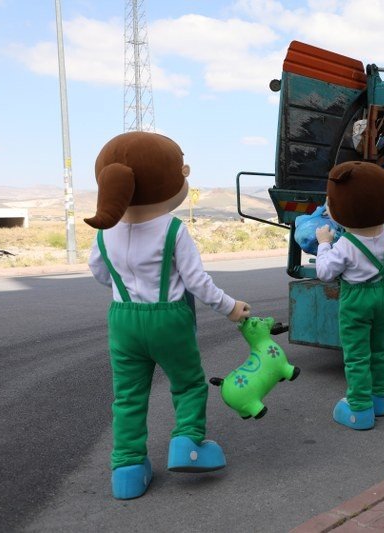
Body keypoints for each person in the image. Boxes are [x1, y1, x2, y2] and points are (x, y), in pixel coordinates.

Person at [85, 132, 251, 499]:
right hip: (168, 320)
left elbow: (100, 273)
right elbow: (197, 282)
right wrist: (231, 307)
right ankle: (187, 445)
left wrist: (128, 285)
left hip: (123, 319)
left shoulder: (105, 233)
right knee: (189, 384)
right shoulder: (173, 228)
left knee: (128, 396)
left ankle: (127, 470)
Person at [314, 161, 384, 431]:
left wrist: (324, 243)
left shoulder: (346, 245)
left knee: (357, 354)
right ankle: (380, 398)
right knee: (377, 349)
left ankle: (359, 408)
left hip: (357, 299)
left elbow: (325, 272)